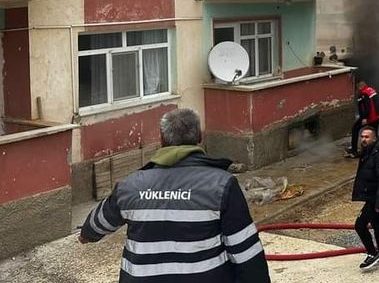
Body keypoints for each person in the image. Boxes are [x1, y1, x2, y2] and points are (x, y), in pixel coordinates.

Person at [78, 108, 270, 282]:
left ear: (162, 139)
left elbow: (95, 225)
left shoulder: (130, 186)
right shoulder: (222, 184)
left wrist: (86, 235)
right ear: (199, 136)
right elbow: (246, 252)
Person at [351, 125, 379, 271]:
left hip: (376, 198)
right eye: (362, 137)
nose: (363, 139)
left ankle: (372, 253)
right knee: (376, 224)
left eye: (367, 137)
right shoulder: (368, 152)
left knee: (359, 225)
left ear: (374, 139)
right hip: (371, 196)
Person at [346, 81, 379, 158]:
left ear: (360, 87)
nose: (357, 91)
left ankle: (354, 151)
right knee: (374, 133)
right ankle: (374, 150)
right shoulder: (371, 90)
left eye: (357, 89)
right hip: (378, 116)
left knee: (355, 129)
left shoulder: (363, 93)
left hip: (370, 117)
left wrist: (364, 118)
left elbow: (367, 106)